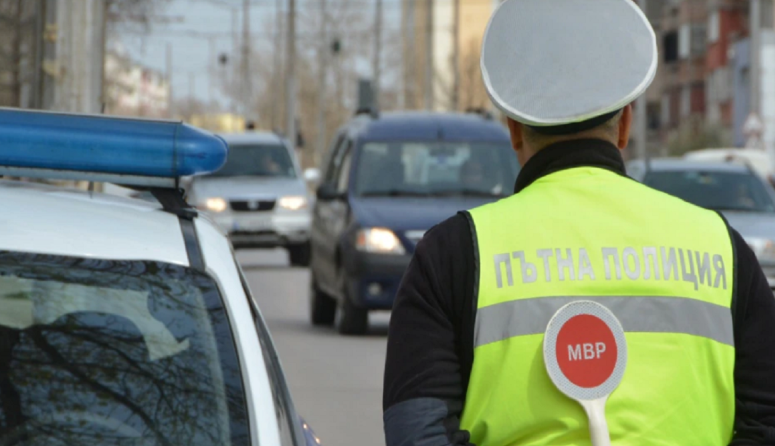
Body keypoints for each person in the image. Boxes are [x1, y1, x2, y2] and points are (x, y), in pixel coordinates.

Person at [382, 1, 775, 445]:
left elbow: (417, 431)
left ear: (514, 130)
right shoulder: (720, 246)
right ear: (625, 125)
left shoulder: (452, 255)